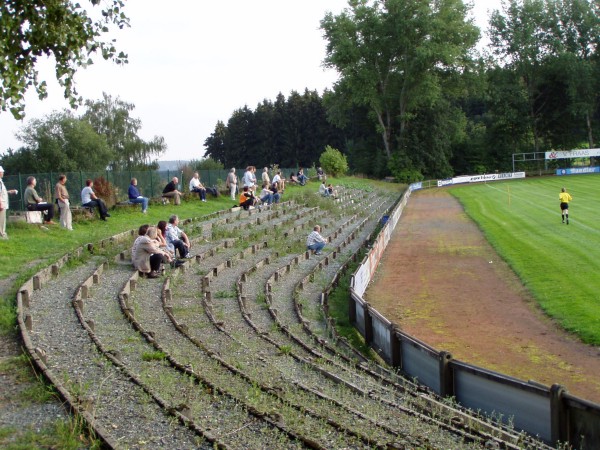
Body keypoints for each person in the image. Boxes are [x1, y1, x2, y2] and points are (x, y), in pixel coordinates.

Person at [0, 166, 19, 239]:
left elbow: (2, 192)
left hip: (2, 202)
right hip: (1, 203)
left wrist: (9, 192)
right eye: (2, 172)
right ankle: (2, 235)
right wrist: (1, 203)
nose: (3, 173)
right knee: (1, 220)